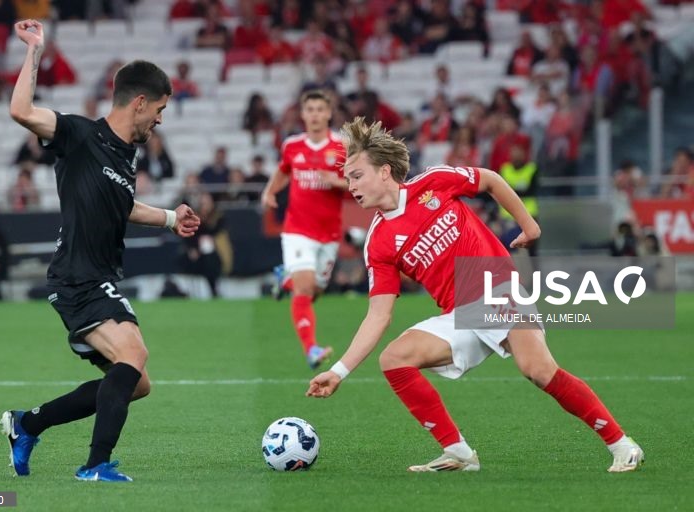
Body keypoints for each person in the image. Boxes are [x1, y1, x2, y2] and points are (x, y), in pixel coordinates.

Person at [306, 117, 644, 474]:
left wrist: (528, 225)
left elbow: (491, 180)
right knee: (395, 359)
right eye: (347, 179)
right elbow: (378, 314)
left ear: (385, 171)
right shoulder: (378, 242)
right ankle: (459, 454)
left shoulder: (432, 182)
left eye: (356, 176)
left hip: (495, 286)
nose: (351, 186)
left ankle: (623, 445)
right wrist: (339, 372)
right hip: (460, 312)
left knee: (538, 370)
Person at [0, 19, 201, 483]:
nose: (161, 120)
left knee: (135, 382)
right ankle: (95, 466)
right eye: (160, 109)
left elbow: (122, 206)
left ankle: (27, 424)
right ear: (140, 102)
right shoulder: (79, 135)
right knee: (133, 355)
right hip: (77, 277)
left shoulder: (124, 157)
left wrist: (171, 218)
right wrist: (35, 50)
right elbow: (20, 109)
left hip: (99, 277)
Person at [260, 90, 347, 369]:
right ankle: (312, 349)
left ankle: (284, 279)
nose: (315, 115)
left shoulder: (342, 147)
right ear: (303, 113)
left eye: (320, 109)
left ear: (329, 113)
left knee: (315, 290)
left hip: (329, 234)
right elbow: (284, 170)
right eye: (310, 109)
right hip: (297, 228)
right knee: (305, 287)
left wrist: (336, 181)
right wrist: (270, 191)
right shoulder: (292, 145)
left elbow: (358, 185)